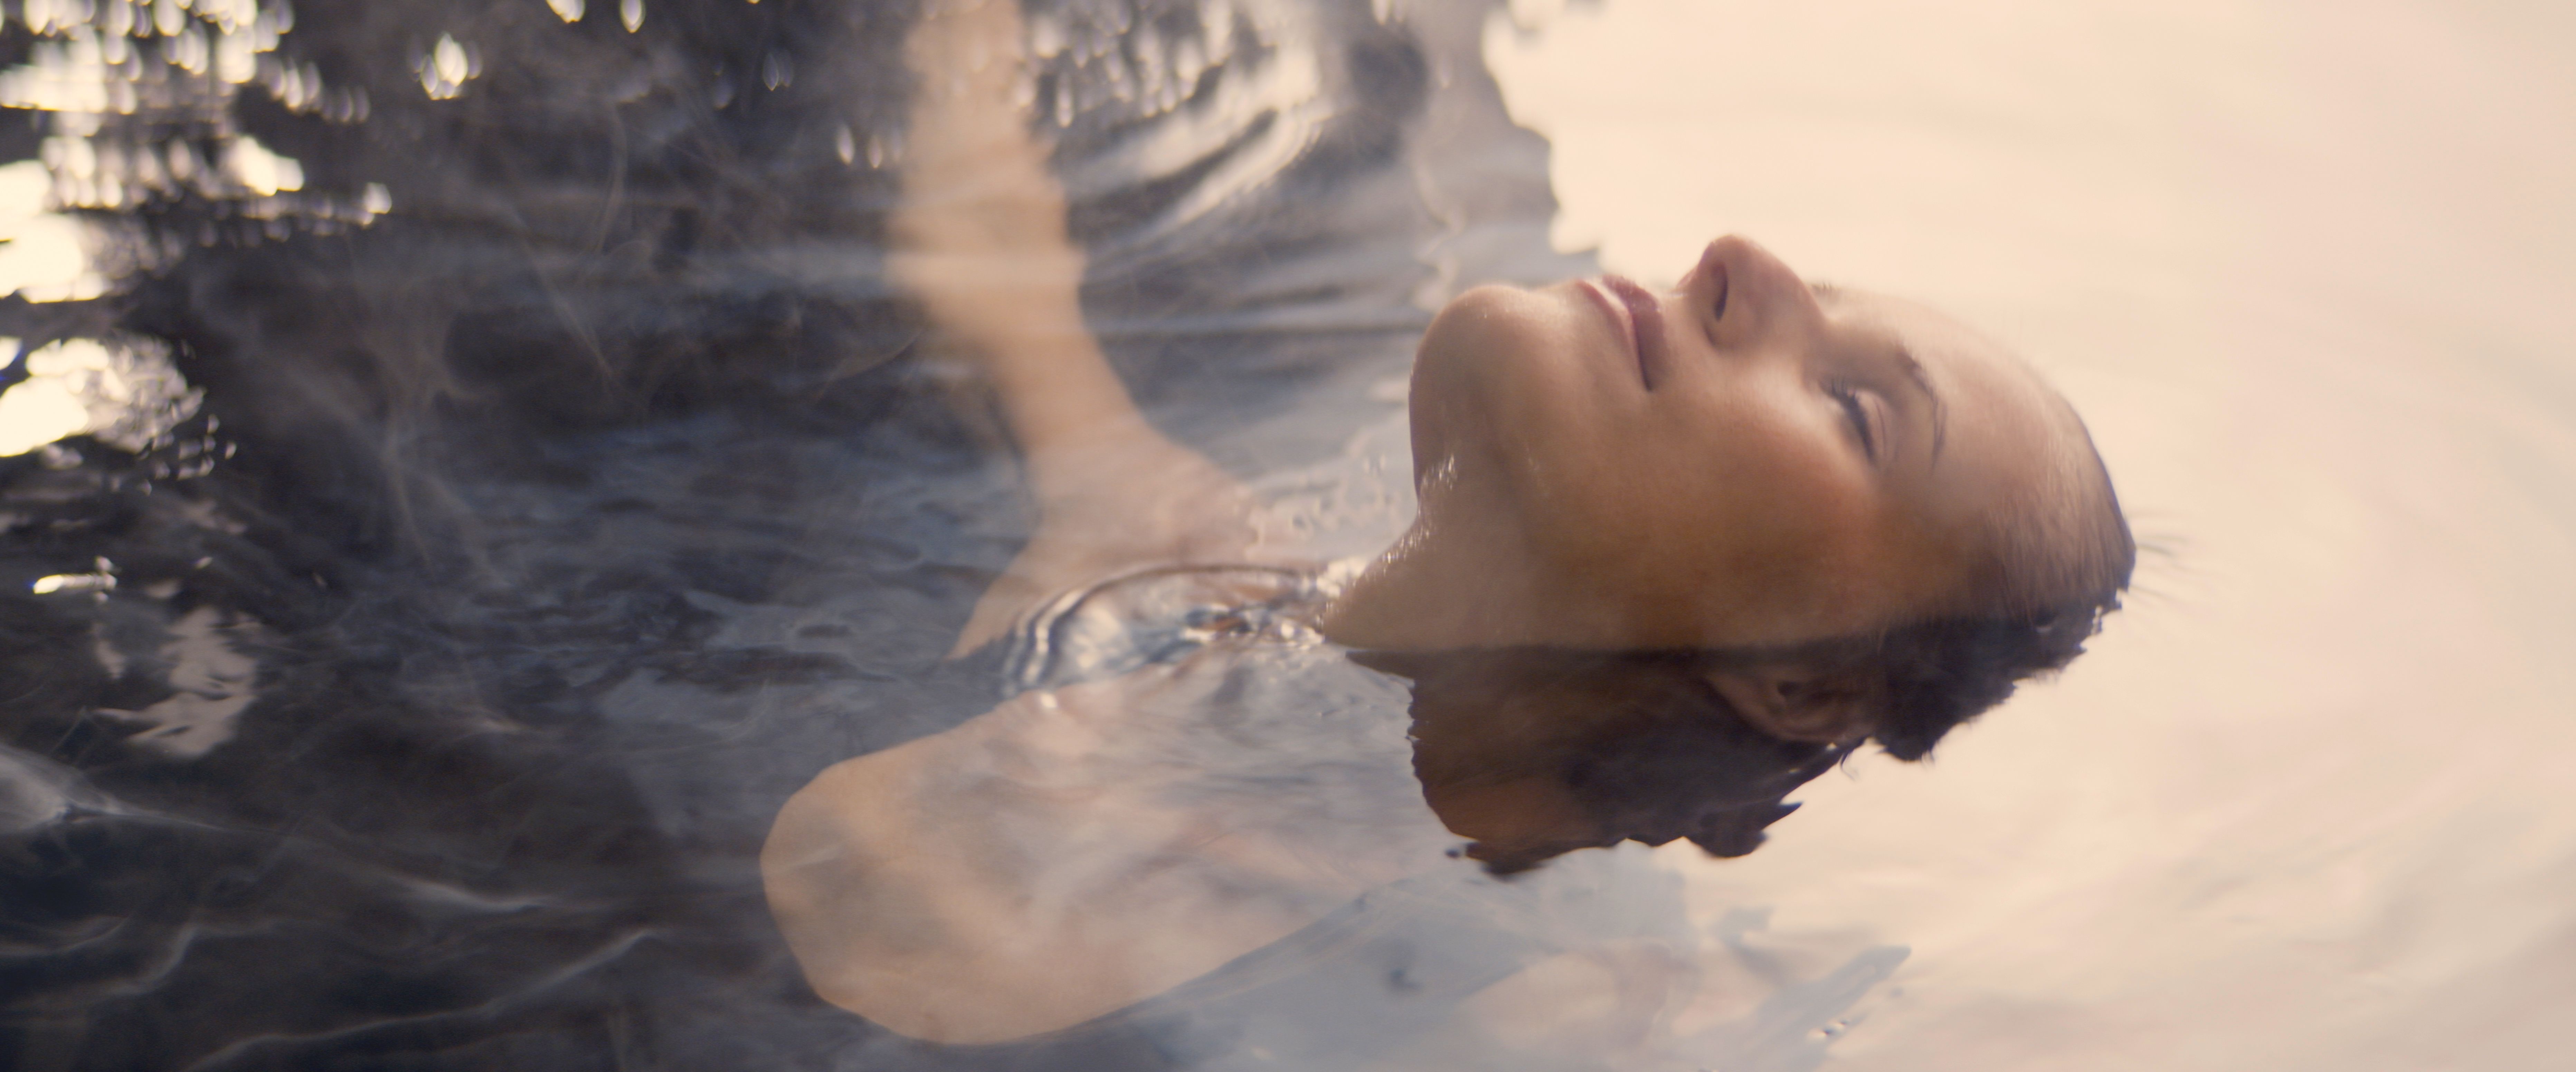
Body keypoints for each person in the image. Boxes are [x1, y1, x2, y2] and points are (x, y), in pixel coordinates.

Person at [762, 0, 2132, 1051]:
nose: (1739, 260)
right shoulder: (1167, 545)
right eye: (1819, 288)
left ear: (1804, 686)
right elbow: (984, 255)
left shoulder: (1529, 1015)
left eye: (1852, 408)